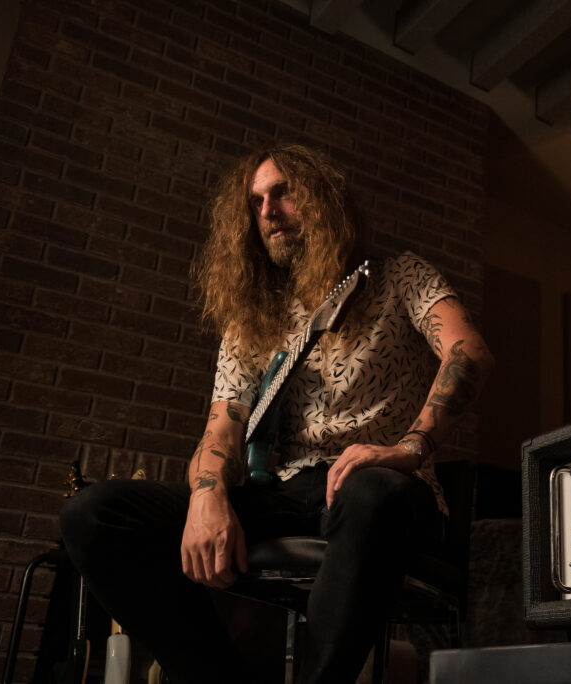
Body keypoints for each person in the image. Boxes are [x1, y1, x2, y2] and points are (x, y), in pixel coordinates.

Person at [60, 144, 494, 683]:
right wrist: (207, 496)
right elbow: (223, 428)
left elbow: (468, 352)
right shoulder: (252, 316)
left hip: (385, 490)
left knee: (370, 492)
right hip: (285, 492)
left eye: (284, 192)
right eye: (257, 201)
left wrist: (410, 447)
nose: (268, 210)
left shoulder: (398, 275)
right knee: (92, 514)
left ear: (323, 199)